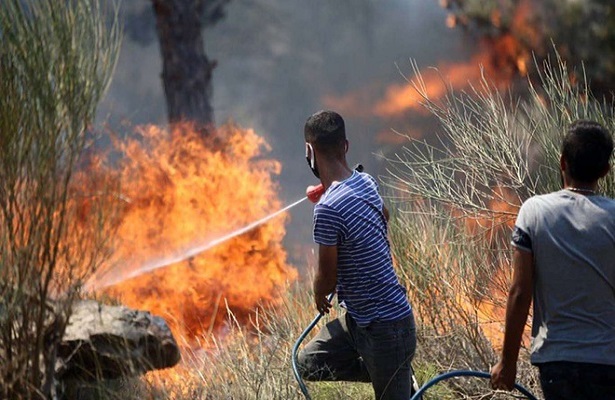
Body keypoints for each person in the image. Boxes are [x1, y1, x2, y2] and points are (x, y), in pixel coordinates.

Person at [490, 119, 615, 399]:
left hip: (557, 363)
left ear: (562, 163)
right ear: (606, 171)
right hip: (608, 362)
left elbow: (520, 292)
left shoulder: (534, 212)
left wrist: (507, 363)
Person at [297, 110, 417, 400]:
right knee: (309, 363)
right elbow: (384, 215)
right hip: (359, 322)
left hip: (388, 328)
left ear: (309, 152)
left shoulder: (327, 209)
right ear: (345, 146)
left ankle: (396, 376)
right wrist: (329, 189)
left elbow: (327, 278)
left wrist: (317, 294)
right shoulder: (365, 182)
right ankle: (391, 374)